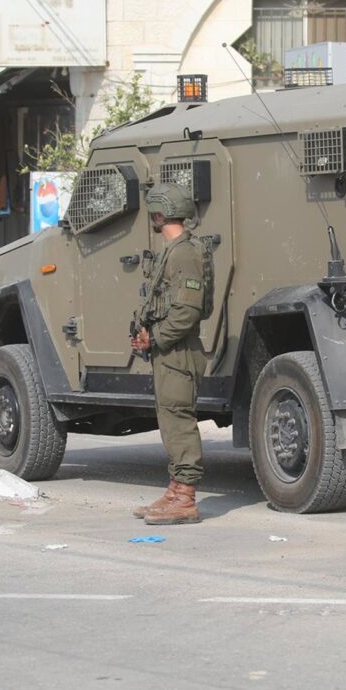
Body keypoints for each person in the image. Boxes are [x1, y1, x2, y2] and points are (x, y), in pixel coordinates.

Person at [130, 182, 209, 525]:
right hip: (168, 349)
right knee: (169, 419)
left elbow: (187, 312)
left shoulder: (185, 253)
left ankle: (186, 497)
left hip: (178, 350)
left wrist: (156, 337)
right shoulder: (173, 250)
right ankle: (176, 488)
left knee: (178, 418)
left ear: (160, 213)